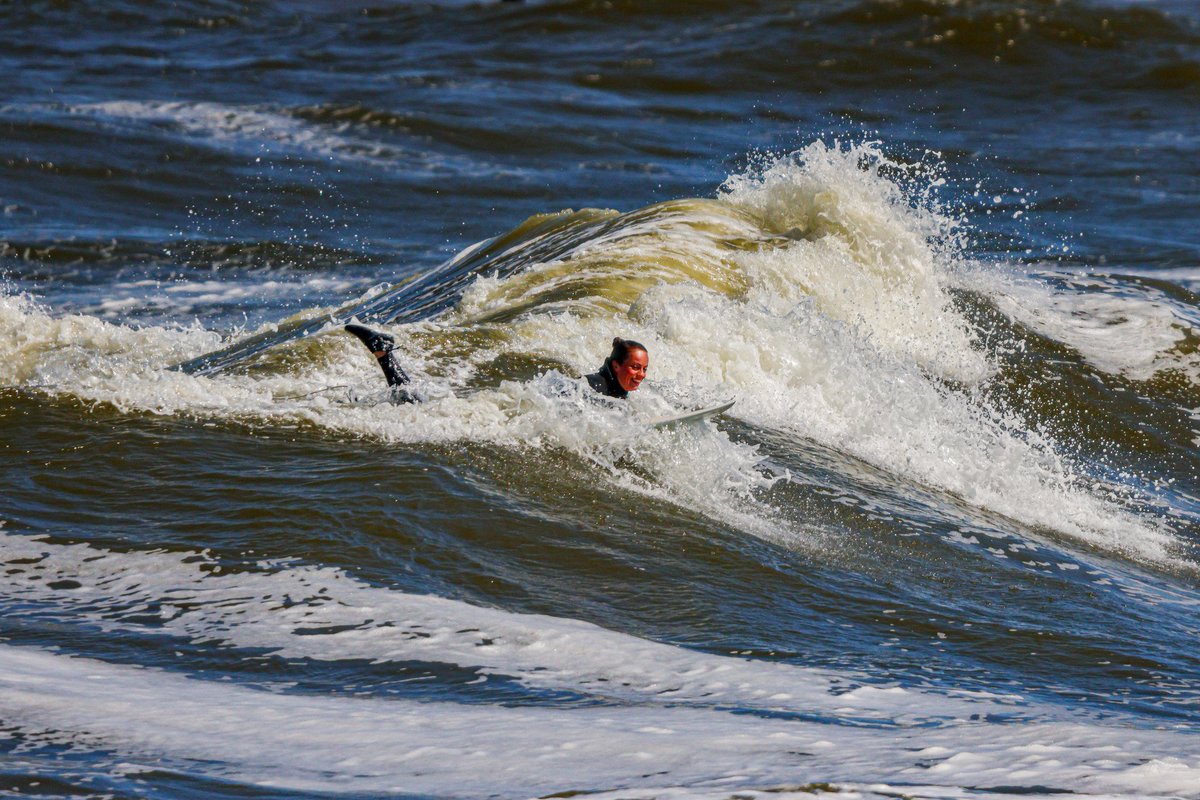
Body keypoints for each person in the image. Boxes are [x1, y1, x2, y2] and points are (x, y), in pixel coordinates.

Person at [345, 324, 647, 401]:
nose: (640, 374)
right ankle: (384, 351)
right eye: (635, 367)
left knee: (418, 402)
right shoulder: (595, 387)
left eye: (644, 369)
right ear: (617, 365)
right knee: (415, 405)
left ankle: (385, 354)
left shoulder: (610, 388)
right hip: (513, 410)